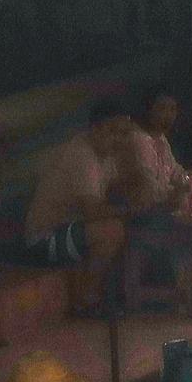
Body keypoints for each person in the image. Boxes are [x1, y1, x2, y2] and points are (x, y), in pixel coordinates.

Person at [21, 103, 134, 277]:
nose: (118, 138)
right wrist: (129, 210)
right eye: (112, 131)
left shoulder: (106, 154)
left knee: (127, 227)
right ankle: (86, 299)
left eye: (124, 134)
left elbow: (120, 187)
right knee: (111, 231)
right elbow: (92, 211)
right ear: (95, 129)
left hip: (71, 228)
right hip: (44, 237)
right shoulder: (83, 155)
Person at [116, 90, 192, 208]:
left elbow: (174, 170)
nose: (168, 116)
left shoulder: (161, 138)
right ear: (148, 111)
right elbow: (150, 187)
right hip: (141, 213)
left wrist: (189, 178)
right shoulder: (138, 140)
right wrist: (177, 191)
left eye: (172, 109)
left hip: (161, 208)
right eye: (162, 109)